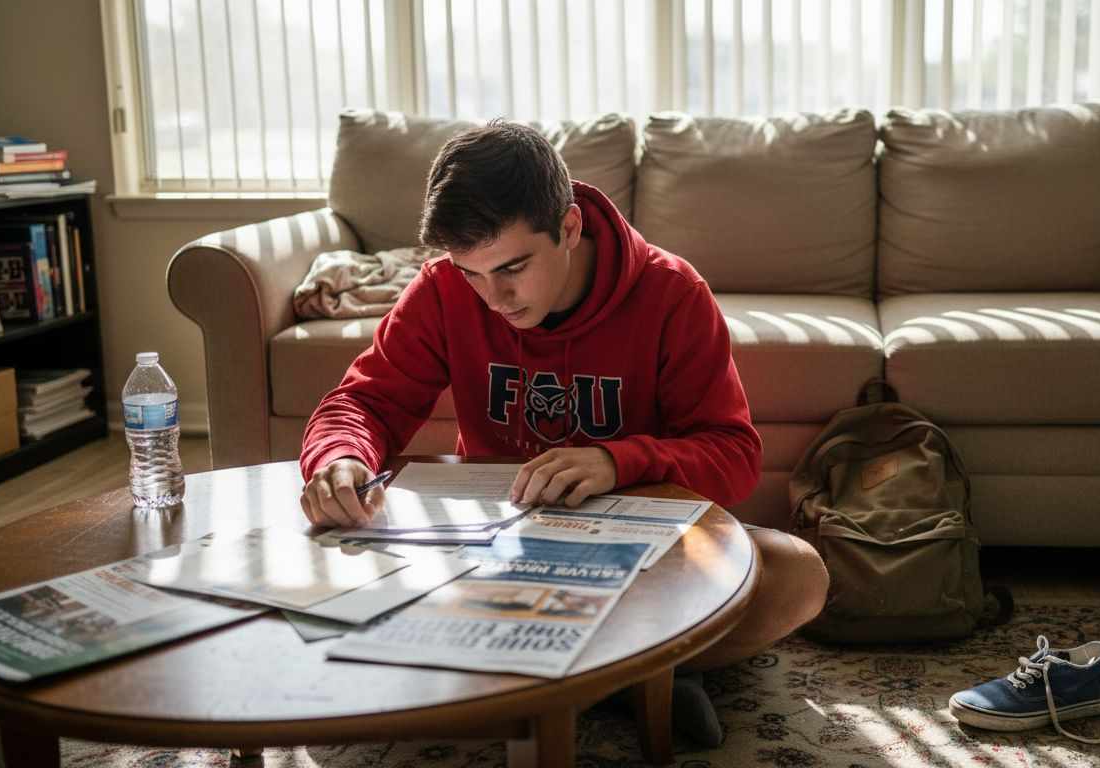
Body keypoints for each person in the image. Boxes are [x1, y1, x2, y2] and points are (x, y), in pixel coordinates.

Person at [298, 119, 828, 745]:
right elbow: (363, 402)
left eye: (514, 268)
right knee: (323, 571)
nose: (494, 298)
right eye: (473, 273)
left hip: (640, 552)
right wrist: (339, 458)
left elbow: (735, 457)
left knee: (797, 573)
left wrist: (616, 460)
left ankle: (538, 679)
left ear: (570, 227)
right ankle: (640, 674)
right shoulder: (443, 290)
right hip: (492, 551)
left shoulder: (673, 293)